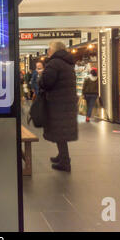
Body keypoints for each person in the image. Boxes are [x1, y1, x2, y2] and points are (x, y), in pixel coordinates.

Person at [39, 41, 78, 172]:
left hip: (57, 104)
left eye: (49, 48)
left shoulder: (54, 63)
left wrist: (41, 77)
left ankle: (65, 162)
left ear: (55, 50)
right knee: (61, 132)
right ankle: (61, 156)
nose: (48, 51)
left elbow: (46, 83)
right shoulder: (67, 63)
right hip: (65, 103)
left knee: (59, 132)